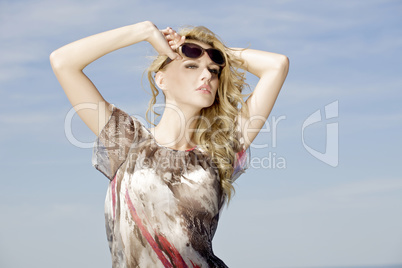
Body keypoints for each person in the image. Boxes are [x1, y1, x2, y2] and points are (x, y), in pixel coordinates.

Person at [50, 21, 289, 268]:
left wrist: (218, 52)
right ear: (161, 79)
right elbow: (63, 62)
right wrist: (144, 32)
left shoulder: (219, 150)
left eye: (214, 70)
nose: (207, 75)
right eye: (191, 65)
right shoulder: (126, 139)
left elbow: (277, 66)